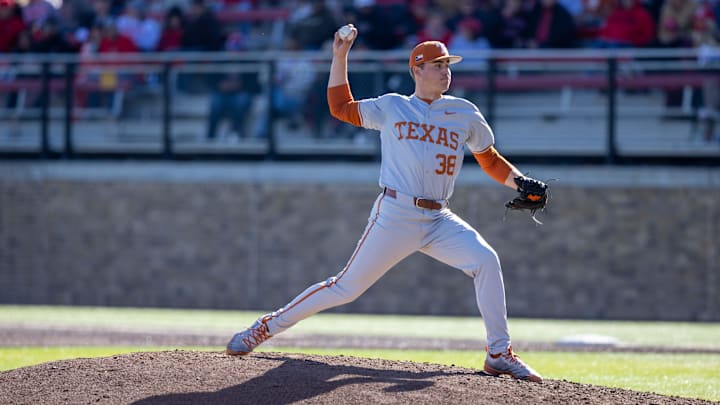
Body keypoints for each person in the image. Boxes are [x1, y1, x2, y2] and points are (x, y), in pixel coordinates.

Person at [225, 25, 545, 383]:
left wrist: (520, 181)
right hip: (396, 213)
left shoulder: (464, 112)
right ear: (417, 71)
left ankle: (498, 353)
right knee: (345, 288)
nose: (445, 70)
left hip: (440, 218)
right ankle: (265, 327)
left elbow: (488, 158)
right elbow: (340, 107)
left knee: (486, 261)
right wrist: (340, 55)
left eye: (447, 64)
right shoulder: (392, 106)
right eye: (437, 64)